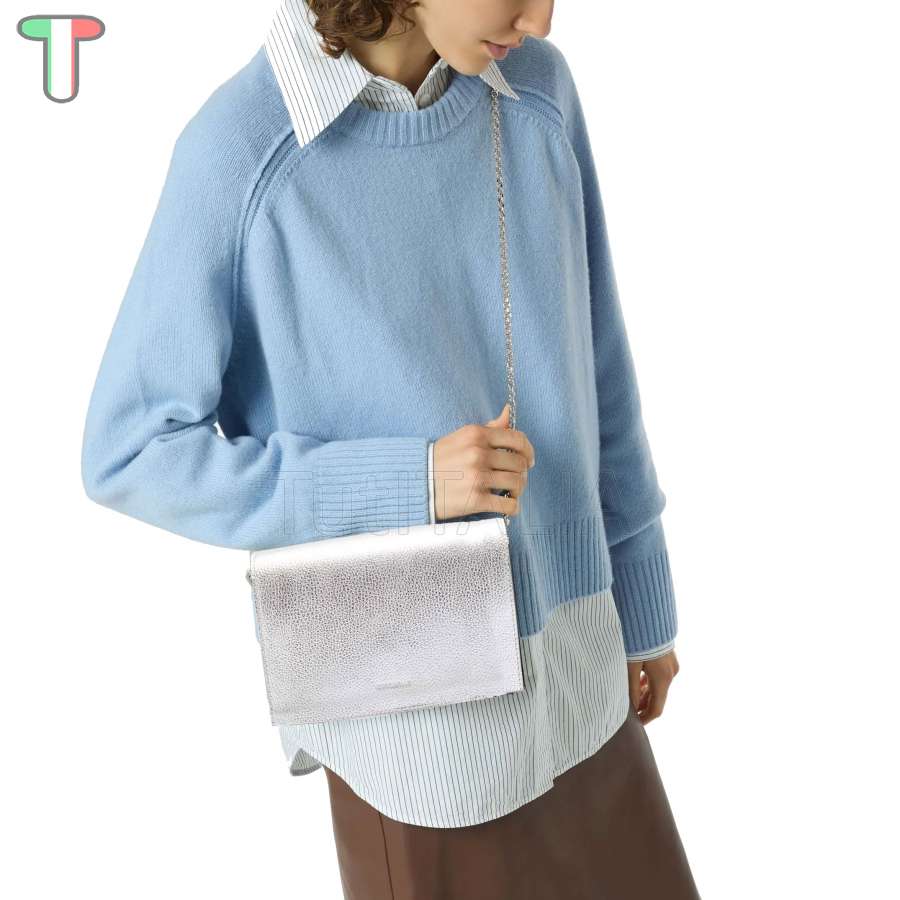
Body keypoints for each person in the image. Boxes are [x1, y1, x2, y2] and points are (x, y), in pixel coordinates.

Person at [80, 0, 700, 896]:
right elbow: (131, 450)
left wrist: (643, 599)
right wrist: (407, 482)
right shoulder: (245, 151)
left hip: (582, 660)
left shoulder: (536, 93)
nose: (542, 20)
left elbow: (596, 353)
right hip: (414, 716)